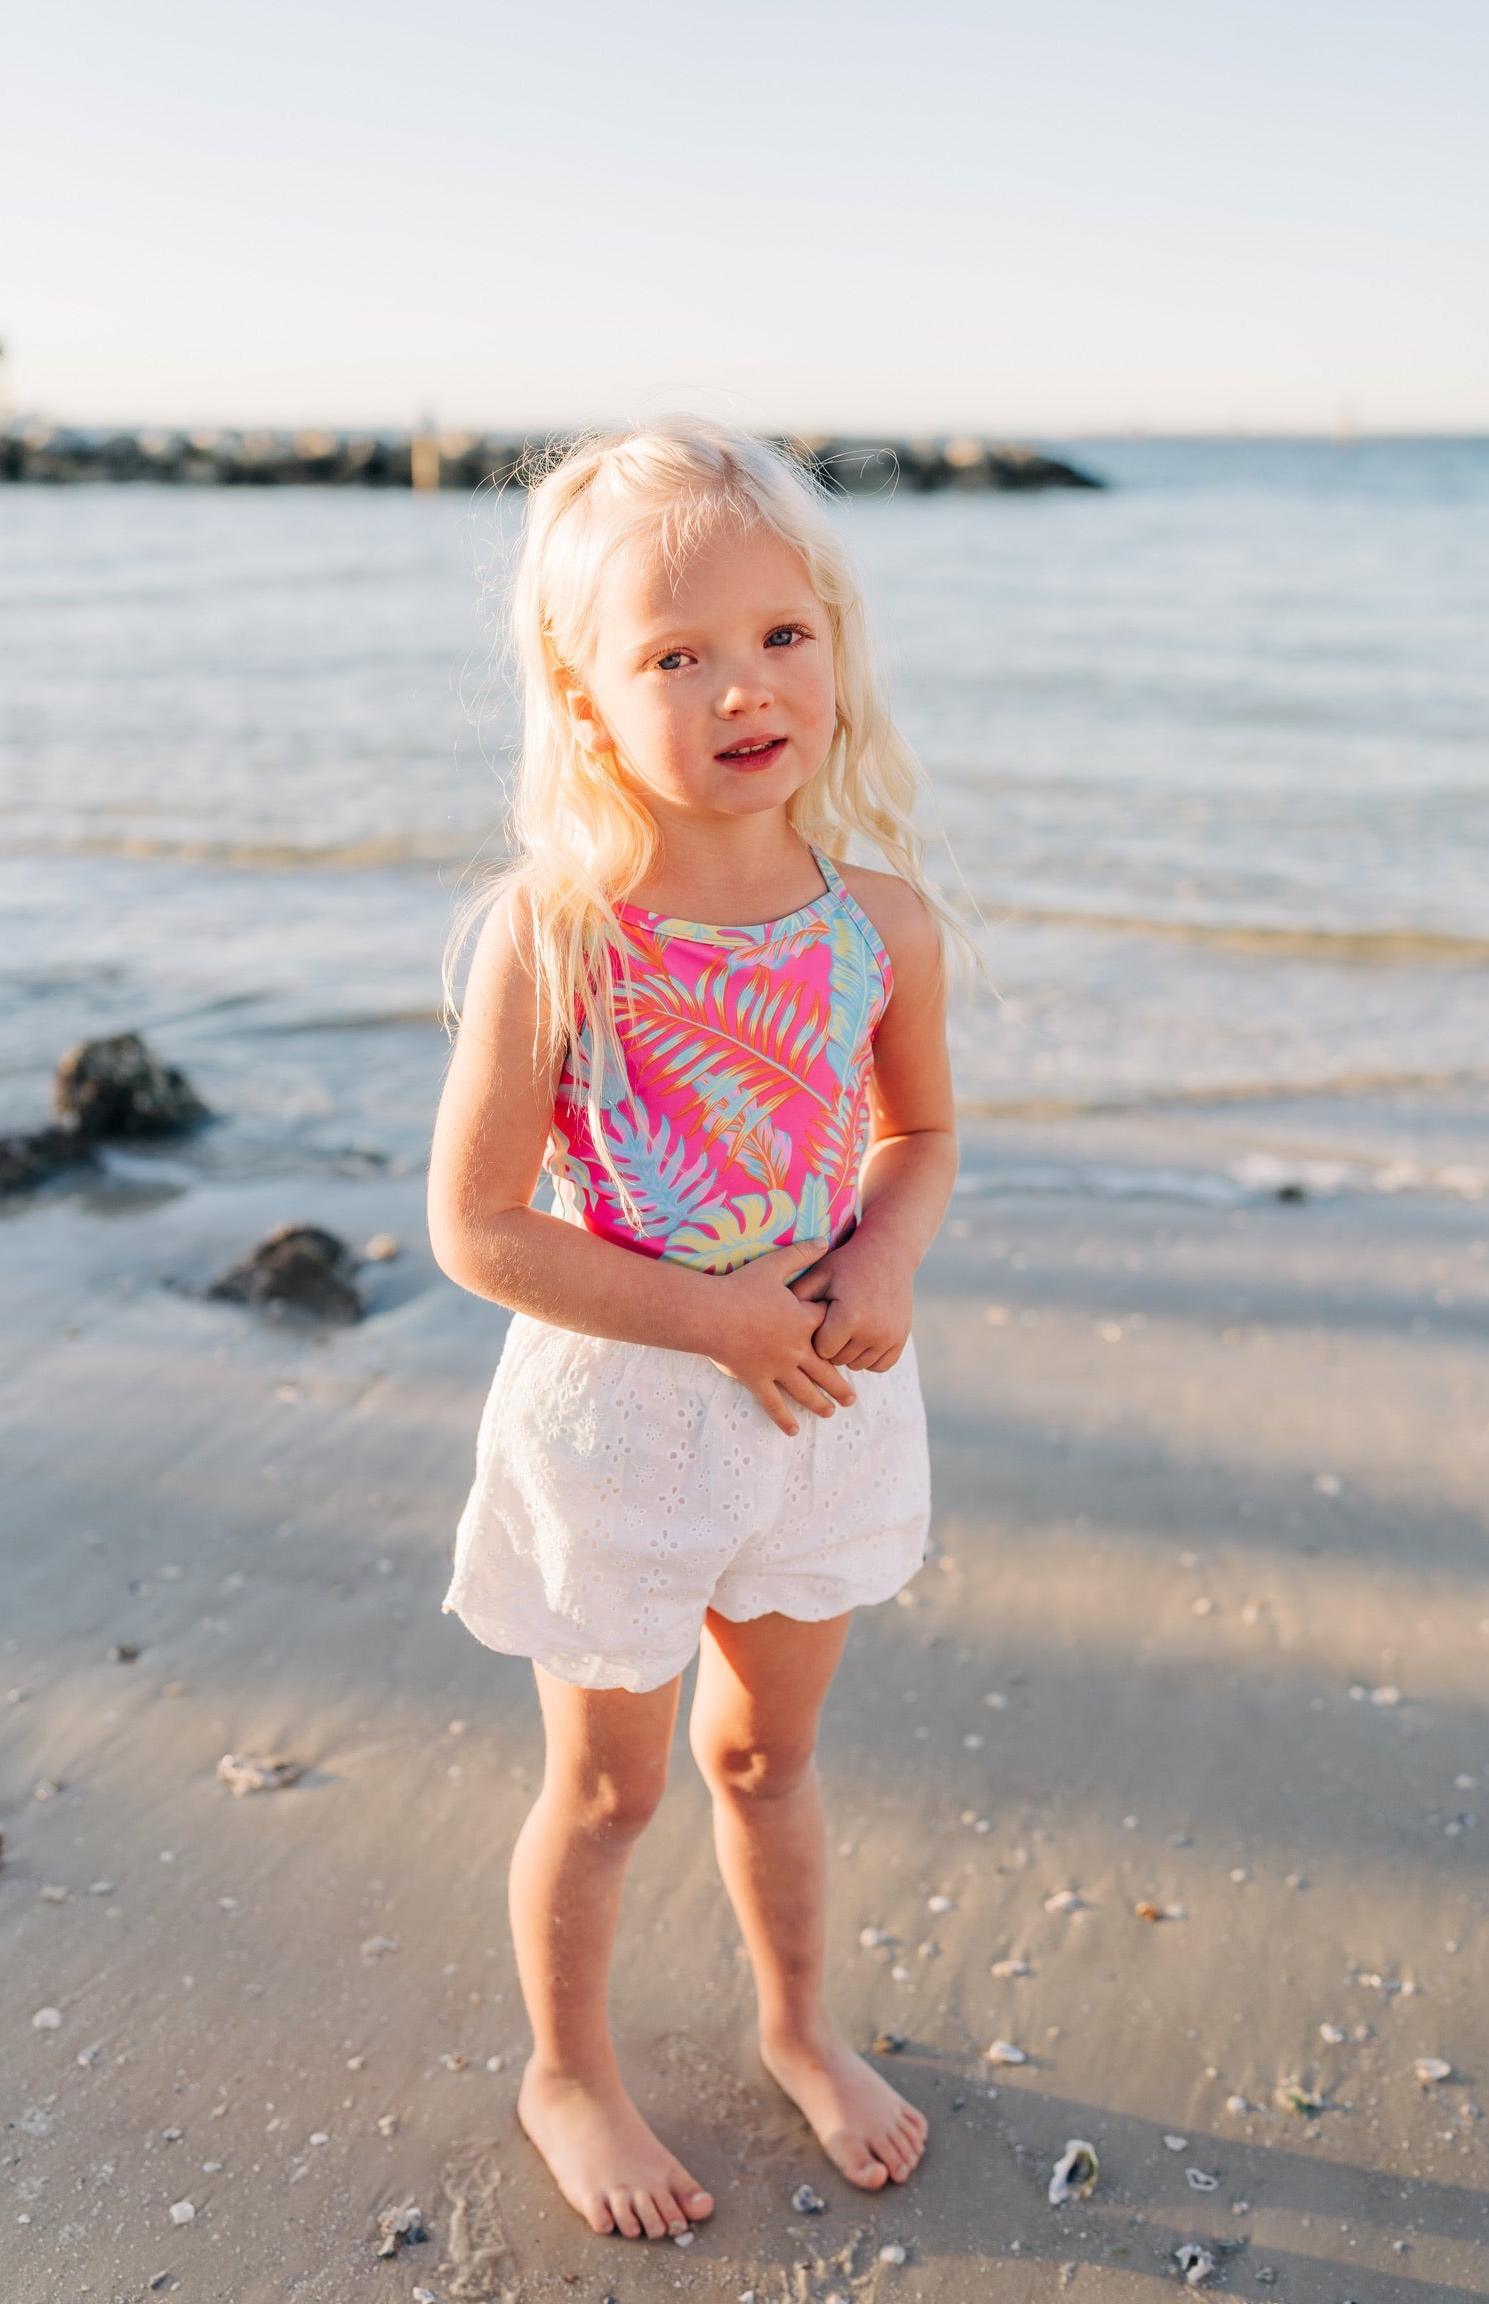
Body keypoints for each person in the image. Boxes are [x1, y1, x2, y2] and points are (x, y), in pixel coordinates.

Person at [428, 420, 961, 2245]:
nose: (745, 685)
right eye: (676, 655)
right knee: (608, 1780)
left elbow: (922, 1136)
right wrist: (714, 1319)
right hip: (625, 1426)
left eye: (781, 636)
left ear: (837, 646)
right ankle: (566, 2066)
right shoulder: (559, 935)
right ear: (587, 705)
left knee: (765, 1759)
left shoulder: (880, 925)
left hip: (820, 1409)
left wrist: (882, 1257)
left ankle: (800, 2026)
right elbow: (479, 1225)